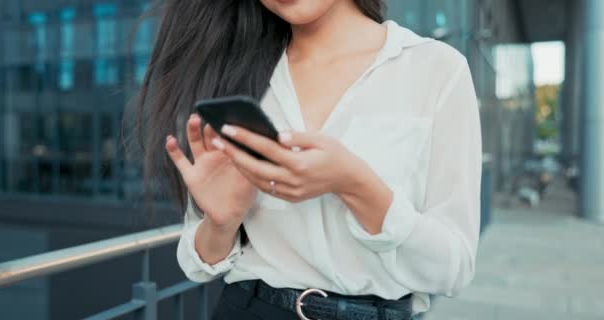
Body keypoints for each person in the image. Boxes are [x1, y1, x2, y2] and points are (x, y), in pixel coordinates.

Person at [135, 0, 482, 319]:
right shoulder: (242, 74)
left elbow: (453, 268)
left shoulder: (436, 69)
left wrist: (355, 184)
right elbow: (199, 262)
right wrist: (221, 222)